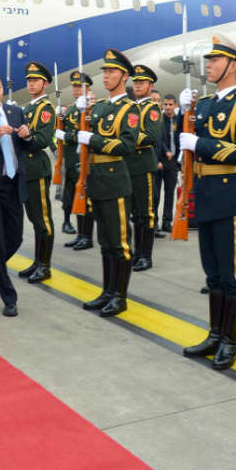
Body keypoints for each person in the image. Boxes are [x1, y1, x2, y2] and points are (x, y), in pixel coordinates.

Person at [180, 34, 236, 370]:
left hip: (229, 196)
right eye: (209, 60)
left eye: (215, 60)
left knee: (232, 276)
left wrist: (200, 144)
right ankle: (215, 333)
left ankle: (230, 340)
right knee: (212, 275)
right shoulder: (208, 104)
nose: (208, 65)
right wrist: (184, 115)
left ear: (233, 66)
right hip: (207, 195)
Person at [78, 49, 140, 317]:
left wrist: (92, 140)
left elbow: (126, 145)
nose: (106, 76)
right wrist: (76, 114)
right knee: (104, 241)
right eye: (104, 71)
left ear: (124, 76)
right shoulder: (101, 106)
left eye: (112, 71)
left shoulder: (130, 108)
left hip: (115, 180)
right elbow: (79, 133)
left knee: (120, 243)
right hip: (97, 180)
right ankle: (107, 291)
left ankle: (120, 296)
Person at [0, 68, 35, 316]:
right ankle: (9, 297)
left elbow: (28, 145)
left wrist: (27, 134)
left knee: (15, 239)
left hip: (13, 185)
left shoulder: (14, 111)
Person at [17, 62, 56, 284]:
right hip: (27, 169)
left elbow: (41, 139)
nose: (31, 84)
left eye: (36, 80)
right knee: (34, 218)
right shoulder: (29, 107)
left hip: (37, 168)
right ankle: (38, 262)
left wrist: (27, 136)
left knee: (43, 219)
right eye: (29, 80)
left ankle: (45, 265)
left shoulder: (45, 109)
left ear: (45, 83)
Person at [127, 64, 162, 271]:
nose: (138, 85)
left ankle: (145, 255)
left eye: (142, 82)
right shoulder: (131, 107)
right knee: (134, 214)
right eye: (136, 82)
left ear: (151, 85)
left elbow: (152, 137)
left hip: (143, 165)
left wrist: (127, 136)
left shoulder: (152, 109)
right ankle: (136, 252)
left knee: (145, 213)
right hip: (129, 166)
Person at [58, 71, 95, 250]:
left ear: (87, 88)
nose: (74, 89)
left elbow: (86, 132)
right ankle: (80, 234)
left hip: (83, 161)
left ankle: (87, 236)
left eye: (78, 86)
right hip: (71, 161)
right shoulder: (73, 107)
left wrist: (66, 135)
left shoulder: (89, 106)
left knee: (85, 200)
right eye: (73, 86)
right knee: (76, 199)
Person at [157, 94, 180, 236]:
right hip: (161, 160)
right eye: (165, 104)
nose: (168, 107)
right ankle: (154, 223)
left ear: (175, 105)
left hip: (173, 162)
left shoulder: (178, 120)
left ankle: (167, 222)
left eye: (170, 104)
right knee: (156, 194)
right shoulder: (159, 120)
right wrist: (166, 151)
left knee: (170, 193)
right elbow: (158, 139)